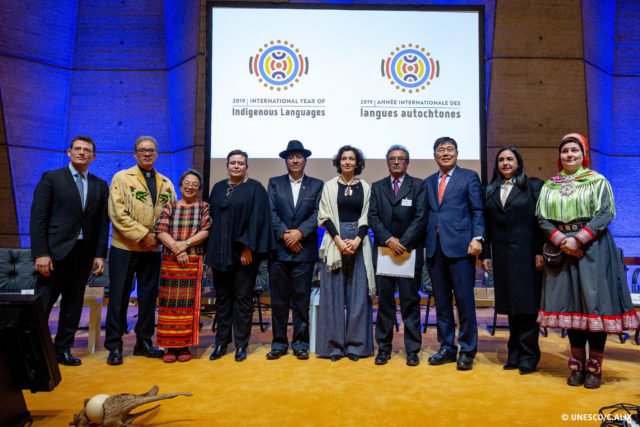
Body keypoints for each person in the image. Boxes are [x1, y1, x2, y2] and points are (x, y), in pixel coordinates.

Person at [536, 133, 640, 389]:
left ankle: (594, 368)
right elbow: (541, 217)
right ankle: (577, 365)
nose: (569, 155)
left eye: (574, 150)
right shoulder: (550, 186)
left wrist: (579, 239)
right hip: (563, 250)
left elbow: (606, 213)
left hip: (593, 249)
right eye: (565, 151)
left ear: (583, 154)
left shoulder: (597, 181)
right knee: (571, 306)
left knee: (594, 306)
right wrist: (563, 240)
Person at [30, 136, 110, 366]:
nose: (82, 152)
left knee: (73, 306)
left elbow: (102, 224)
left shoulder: (99, 185)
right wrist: (41, 253)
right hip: (54, 254)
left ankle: (63, 349)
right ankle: (34, 352)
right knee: (43, 305)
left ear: (93, 156)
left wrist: (99, 254)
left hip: (83, 255)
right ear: (69, 152)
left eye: (87, 150)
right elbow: (38, 218)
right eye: (78, 148)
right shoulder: (52, 178)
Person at [105, 136, 176, 365]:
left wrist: (159, 237)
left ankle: (143, 342)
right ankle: (114, 345)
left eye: (151, 150)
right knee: (119, 297)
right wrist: (143, 234)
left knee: (148, 298)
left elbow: (171, 215)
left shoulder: (166, 183)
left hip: (153, 250)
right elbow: (117, 213)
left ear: (157, 154)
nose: (147, 154)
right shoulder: (122, 178)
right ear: (135, 154)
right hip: (125, 248)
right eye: (142, 150)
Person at [481, 147, 544, 375]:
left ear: (518, 163)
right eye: (501, 160)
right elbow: (486, 226)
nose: (505, 163)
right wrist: (485, 255)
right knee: (511, 307)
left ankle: (529, 355)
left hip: (527, 255)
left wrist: (540, 251)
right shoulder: (489, 190)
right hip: (502, 256)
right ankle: (514, 353)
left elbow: (540, 222)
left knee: (527, 307)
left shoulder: (533, 186)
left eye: (510, 159)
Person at [424, 136, 484, 371]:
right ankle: (447, 347)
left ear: (457, 153)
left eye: (450, 149)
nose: (445, 153)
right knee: (441, 304)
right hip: (435, 248)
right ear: (435, 155)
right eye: (441, 150)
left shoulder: (469, 177)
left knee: (464, 302)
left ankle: (467, 350)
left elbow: (477, 210)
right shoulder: (428, 182)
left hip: (461, 247)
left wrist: (477, 238)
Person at [205, 150, 271, 362]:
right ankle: (221, 342)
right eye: (232, 163)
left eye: (240, 163)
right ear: (227, 166)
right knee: (223, 299)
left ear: (246, 167)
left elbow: (257, 220)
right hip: (220, 253)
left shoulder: (255, 189)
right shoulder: (218, 188)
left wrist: (247, 247)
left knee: (242, 300)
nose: (236, 166)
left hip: (244, 256)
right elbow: (211, 218)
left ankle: (241, 344)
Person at [368, 145, 426, 366]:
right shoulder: (377, 187)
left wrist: (403, 242)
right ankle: (383, 349)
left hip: (408, 252)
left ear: (407, 162)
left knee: (410, 303)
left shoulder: (418, 186)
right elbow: (373, 217)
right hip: (384, 252)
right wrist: (389, 240)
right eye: (392, 158)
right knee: (385, 304)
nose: (396, 161)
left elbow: (421, 217)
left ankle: (412, 350)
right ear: (387, 162)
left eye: (400, 158)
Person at [317, 145, 375, 361]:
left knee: (358, 296)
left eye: (351, 159)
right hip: (335, 242)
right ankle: (333, 347)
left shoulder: (365, 187)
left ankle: (355, 347)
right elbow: (324, 216)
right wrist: (339, 241)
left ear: (357, 163)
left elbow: (368, 216)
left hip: (359, 242)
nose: (348, 162)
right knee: (332, 296)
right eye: (344, 159)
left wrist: (357, 240)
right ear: (338, 162)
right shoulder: (329, 186)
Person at [266, 140, 323, 361]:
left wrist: (299, 233)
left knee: (301, 301)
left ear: (305, 160)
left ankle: (300, 343)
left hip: (304, 250)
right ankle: (279, 343)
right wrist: (285, 234)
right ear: (286, 161)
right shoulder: (274, 183)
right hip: (279, 252)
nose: (295, 160)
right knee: (279, 302)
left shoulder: (316, 185)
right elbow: (270, 212)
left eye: (299, 156)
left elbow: (318, 212)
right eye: (291, 157)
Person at [155, 169, 211, 363]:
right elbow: (160, 231)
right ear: (180, 186)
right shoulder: (170, 206)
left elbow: (205, 231)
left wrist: (185, 245)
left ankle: (184, 345)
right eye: (187, 183)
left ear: (199, 188)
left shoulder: (203, 207)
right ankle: (170, 346)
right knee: (168, 305)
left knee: (189, 306)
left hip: (193, 261)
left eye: (194, 184)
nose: (190, 187)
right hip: (171, 261)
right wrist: (177, 249)